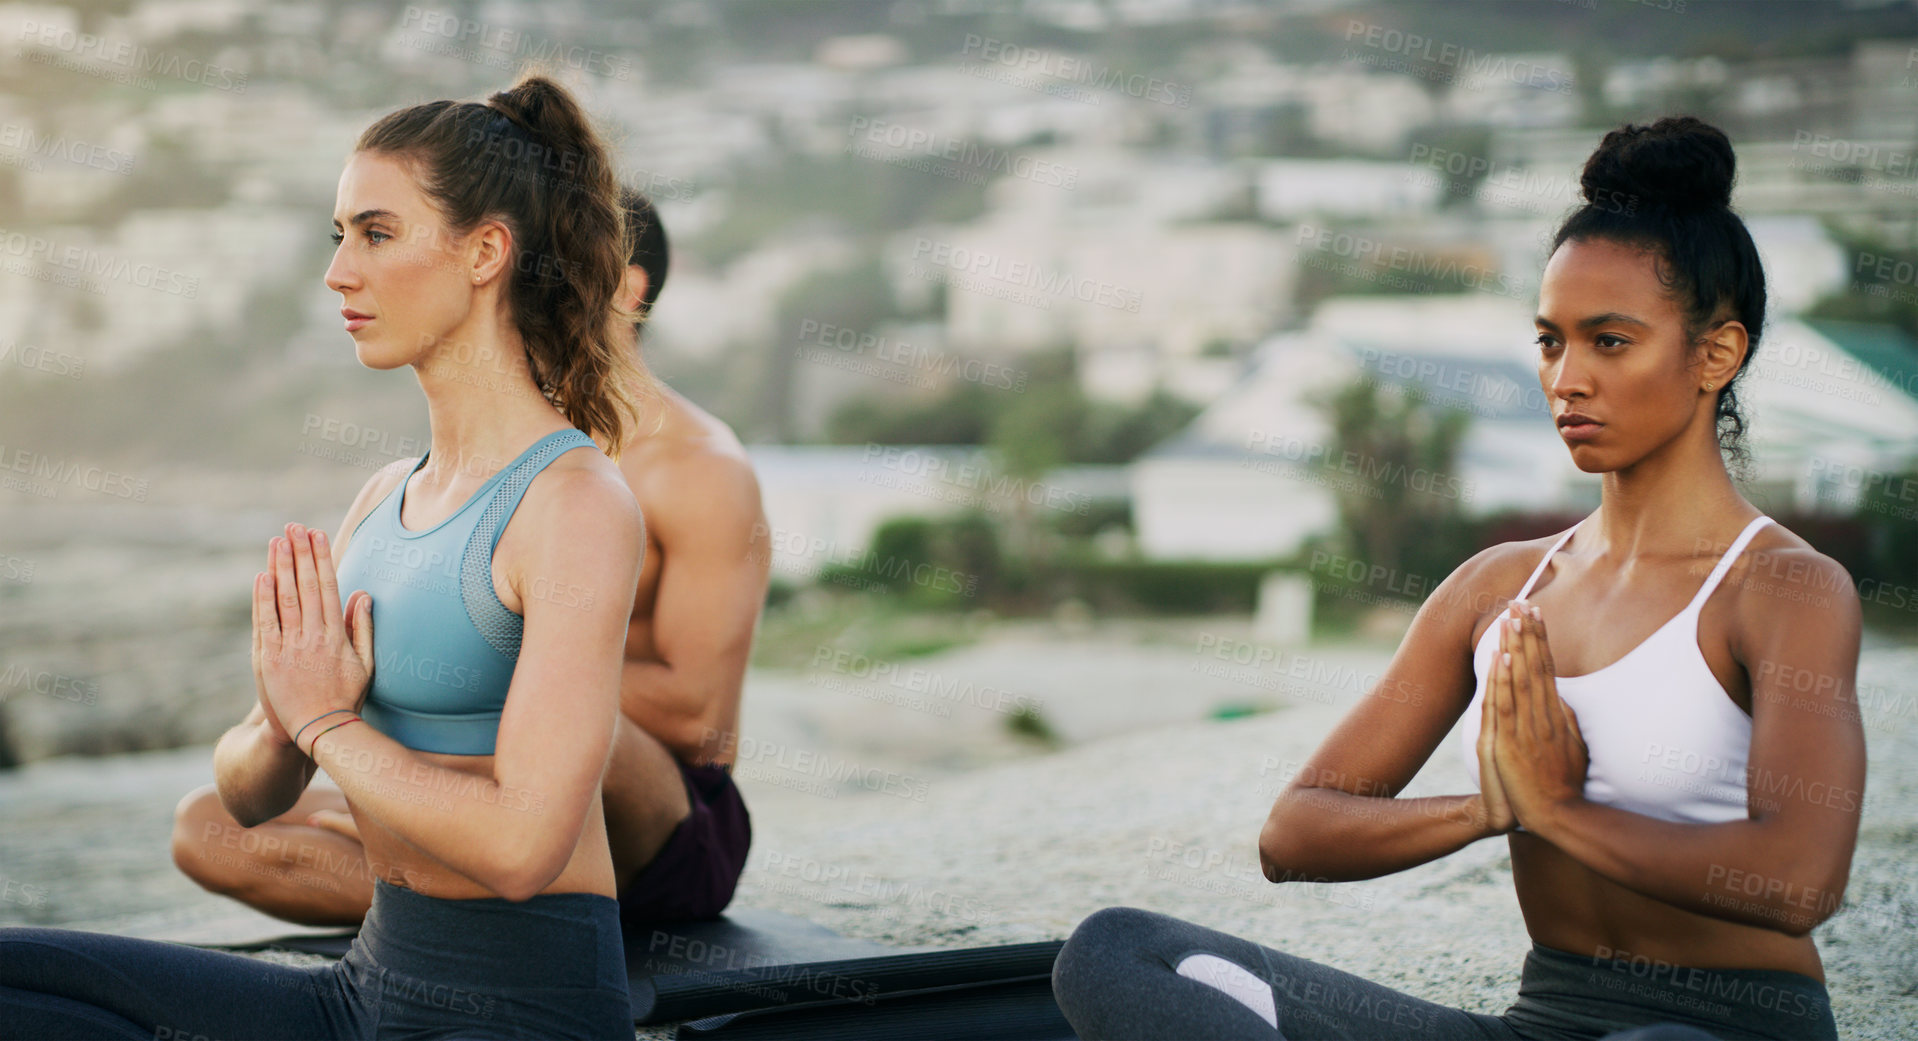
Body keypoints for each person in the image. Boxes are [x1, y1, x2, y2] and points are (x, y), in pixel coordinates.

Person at [1052, 117, 1861, 1040]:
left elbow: (1801, 879)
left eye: (1610, 341)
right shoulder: (1500, 585)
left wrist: (1559, 809)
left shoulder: (1785, 587)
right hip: (1544, 1021)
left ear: (1716, 354)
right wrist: (1491, 806)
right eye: (1551, 341)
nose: (1567, 379)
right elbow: (1296, 833)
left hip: (1725, 1029)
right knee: (1119, 951)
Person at [1, 74, 650, 1039]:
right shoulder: (384, 495)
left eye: (376, 233)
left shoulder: (573, 502)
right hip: (369, 985)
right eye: (338, 234)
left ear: (485, 252)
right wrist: (277, 719)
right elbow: (250, 793)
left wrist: (326, 725)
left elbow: (523, 845)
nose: (339, 271)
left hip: (519, 1010)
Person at [167, 184, 772, 934]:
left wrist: (509, 652)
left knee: (572, 726)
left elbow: (696, 710)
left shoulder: (698, 467)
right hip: (491, 809)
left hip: (663, 818)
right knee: (205, 828)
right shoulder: (469, 466)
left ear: (627, 290)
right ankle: (450, 876)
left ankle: (467, 868)